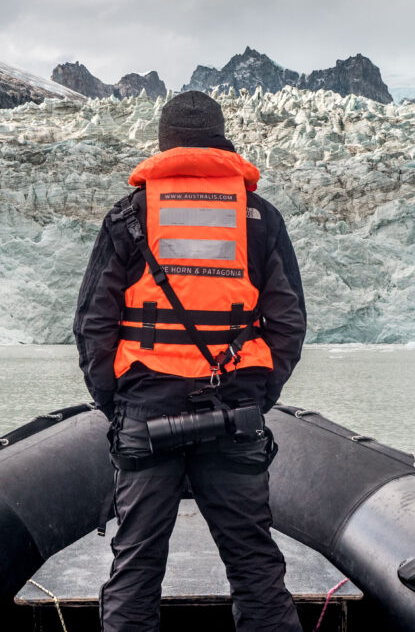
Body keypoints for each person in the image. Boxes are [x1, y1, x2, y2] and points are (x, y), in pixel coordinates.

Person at [73, 90, 307, 632]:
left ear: (165, 143)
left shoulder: (130, 216)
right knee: (254, 563)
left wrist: (118, 400)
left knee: (135, 567)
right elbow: (288, 321)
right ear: (218, 138)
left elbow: (93, 322)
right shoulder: (258, 218)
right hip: (235, 410)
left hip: (146, 409)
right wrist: (256, 392)